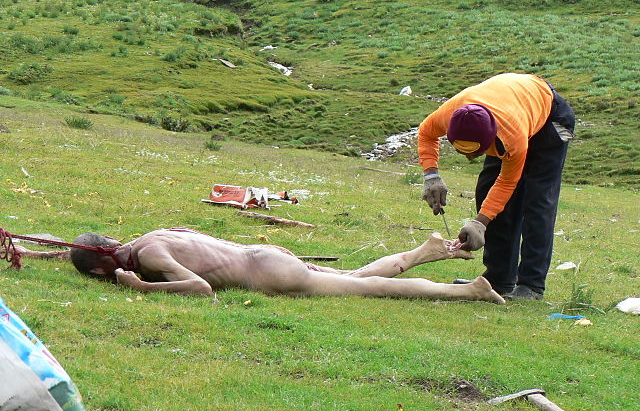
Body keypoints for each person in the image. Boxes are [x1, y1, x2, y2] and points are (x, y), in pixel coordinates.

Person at [418, 73, 575, 300]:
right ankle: (498, 279)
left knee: (537, 201)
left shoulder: (512, 136)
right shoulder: (451, 114)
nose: (469, 157)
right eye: (462, 151)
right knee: (486, 189)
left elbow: (508, 181)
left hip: (549, 119)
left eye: (474, 152)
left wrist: (480, 223)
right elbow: (426, 133)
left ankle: (531, 285)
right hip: (509, 108)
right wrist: (431, 176)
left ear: (490, 138)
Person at [68, 228, 505, 304]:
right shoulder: (151, 237)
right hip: (269, 258)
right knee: (354, 277)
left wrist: (142, 288)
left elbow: (201, 289)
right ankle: (425, 251)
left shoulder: (147, 258)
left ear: (101, 270)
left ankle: (467, 291)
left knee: (369, 288)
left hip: (272, 274)